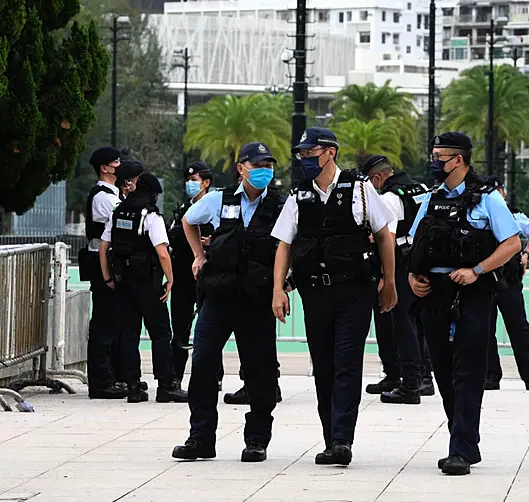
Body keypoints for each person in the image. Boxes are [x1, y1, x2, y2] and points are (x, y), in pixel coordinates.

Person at [271, 128, 398, 467]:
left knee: (346, 363)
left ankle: (342, 439)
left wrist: (389, 282)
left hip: (354, 291)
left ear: (330, 152)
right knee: (324, 367)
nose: (304, 159)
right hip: (315, 293)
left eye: (310, 152)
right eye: (301, 154)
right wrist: (277, 289)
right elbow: (284, 244)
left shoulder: (360, 189)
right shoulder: (298, 197)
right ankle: (331, 437)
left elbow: (385, 236)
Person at [407, 132, 521, 476]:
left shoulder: (487, 199)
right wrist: (414, 277)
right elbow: (415, 242)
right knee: (441, 368)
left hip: (473, 291)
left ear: (458, 160)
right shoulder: (432, 199)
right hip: (435, 292)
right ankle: (465, 441)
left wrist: (476, 270)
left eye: (439, 157)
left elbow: (512, 242)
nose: (434, 163)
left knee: (468, 370)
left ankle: (460, 449)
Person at [172, 142, 283, 463]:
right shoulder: (220, 198)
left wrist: (282, 284)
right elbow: (189, 221)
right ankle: (201, 437)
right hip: (219, 294)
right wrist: (198, 255)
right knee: (204, 362)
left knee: (260, 372)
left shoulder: (280, 204)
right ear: (242, 168)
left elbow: (290, 243)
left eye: (269, 165)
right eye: (258, 164)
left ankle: (257, 439)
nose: (265, 171)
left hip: (257, 298)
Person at [99, 172, 188, 404]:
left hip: (122, 282)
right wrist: (170, 279)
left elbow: (103, 248)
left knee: (129, 335)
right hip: (148, 283)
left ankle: (133, 386)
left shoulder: (118, 212)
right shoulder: (151, 215)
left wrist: (108, 278)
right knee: (160, 333)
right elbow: (162, 252)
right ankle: (166, 384)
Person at [361, 155, 435, 404]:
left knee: (401, 324)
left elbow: (388, 239)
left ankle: (410, 384)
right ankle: (421, 378)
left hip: (402, 264)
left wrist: (385, 277)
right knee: (418, 324)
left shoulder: (390, 198)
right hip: (423, 261)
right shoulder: (421, 189)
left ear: (377, 178)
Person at [484, 176, 529, 392]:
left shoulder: (514, 216)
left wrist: (526, 254)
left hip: (509, 279)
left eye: (497, 191)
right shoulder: (481, 216)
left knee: (518, 328)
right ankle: (491, 376)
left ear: (502, 192)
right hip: (485, 279)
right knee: (485, 328)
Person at [168, 161, 220, 391]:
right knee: (180, 329)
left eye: (194, 180)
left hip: (207, 277)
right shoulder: (183, 210)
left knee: (211, 329)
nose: (190, 184)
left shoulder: (217, 208)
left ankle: (213, 377)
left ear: (206, 183)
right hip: (183, 276)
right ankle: (175, 377)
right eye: (188, 180)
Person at [81, 146, 126, 399]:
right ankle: (101, 381)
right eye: (115, 163)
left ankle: (112, 376)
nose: (119, 166)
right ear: (105, 168)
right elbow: (112, 231)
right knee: (103, 325)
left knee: (113, 324)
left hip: (109, 264)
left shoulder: (113, 194)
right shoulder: (102, 197)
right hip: (102, 266)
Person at [111, 159, 145, 387]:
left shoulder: (122, 205)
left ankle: (127, 377)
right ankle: (122, 377)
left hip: (123, 275)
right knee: (124, 330)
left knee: (127, 331)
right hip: (131, 276)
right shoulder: (131, 209)